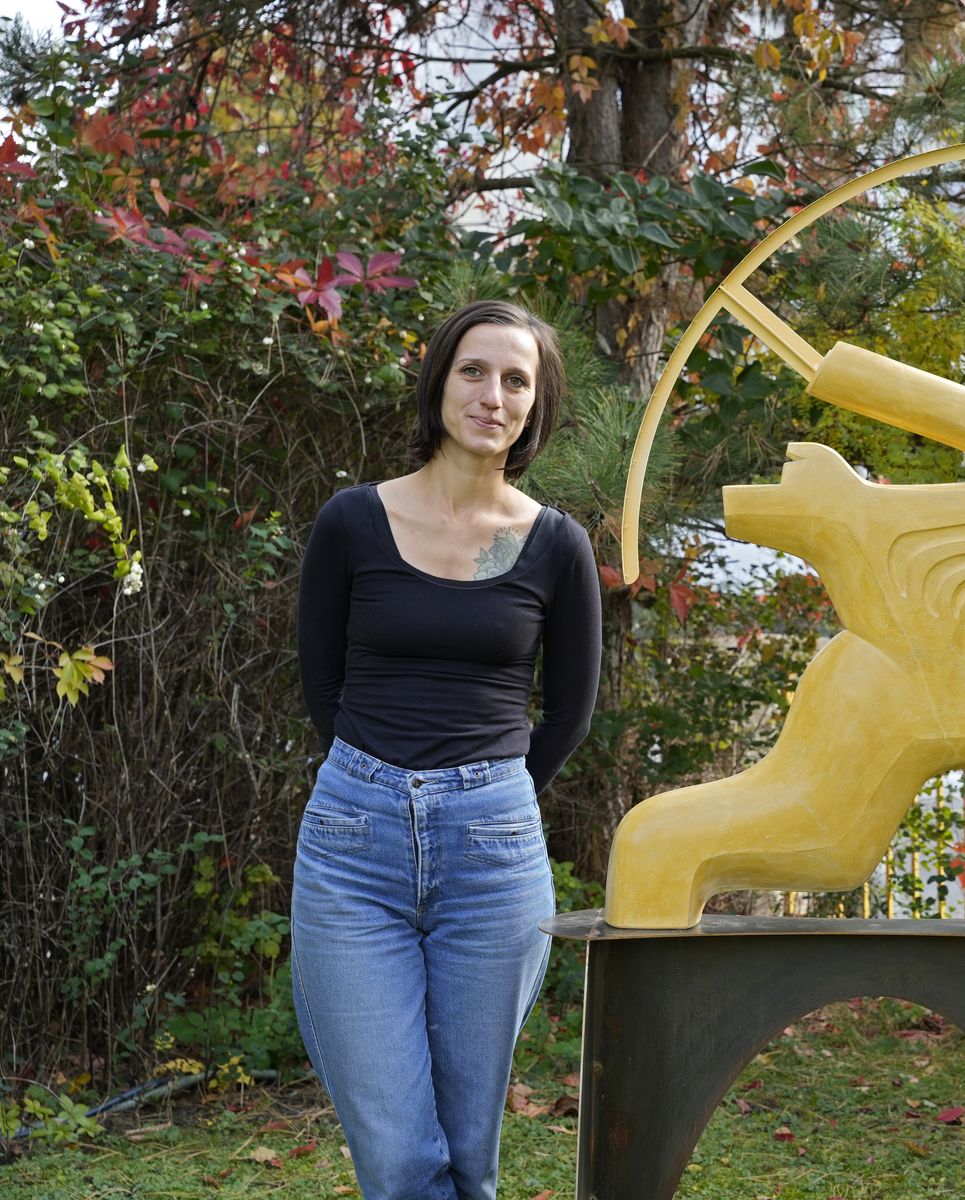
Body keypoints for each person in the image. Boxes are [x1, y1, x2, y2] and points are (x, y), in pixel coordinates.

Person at [293, 299, 603, 1200]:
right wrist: (380, 779)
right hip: (353, 850)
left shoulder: (555, 545)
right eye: (474, 370)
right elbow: (321, 683)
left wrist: (484, 796)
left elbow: (569, 714)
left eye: (516, 380)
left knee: (468, 1156)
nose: (491, 395)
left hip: (492, 856)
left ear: (535, 406)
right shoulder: (353, 521)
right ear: (438, 381)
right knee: (398, 1161)